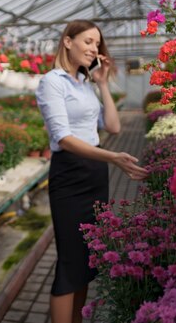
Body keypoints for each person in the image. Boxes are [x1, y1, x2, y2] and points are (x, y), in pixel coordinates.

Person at [34, 20, 148, 323]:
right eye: (87, 41)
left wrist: (102, 83)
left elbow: (113, 126)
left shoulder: (84, 84)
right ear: (67, 42)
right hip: (70, 175)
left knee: (87, 260)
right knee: (70, 262)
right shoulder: (52, 81)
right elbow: (63, 138)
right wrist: (113, 157)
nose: (94, 48)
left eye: (96, 44)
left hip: (95, 174)